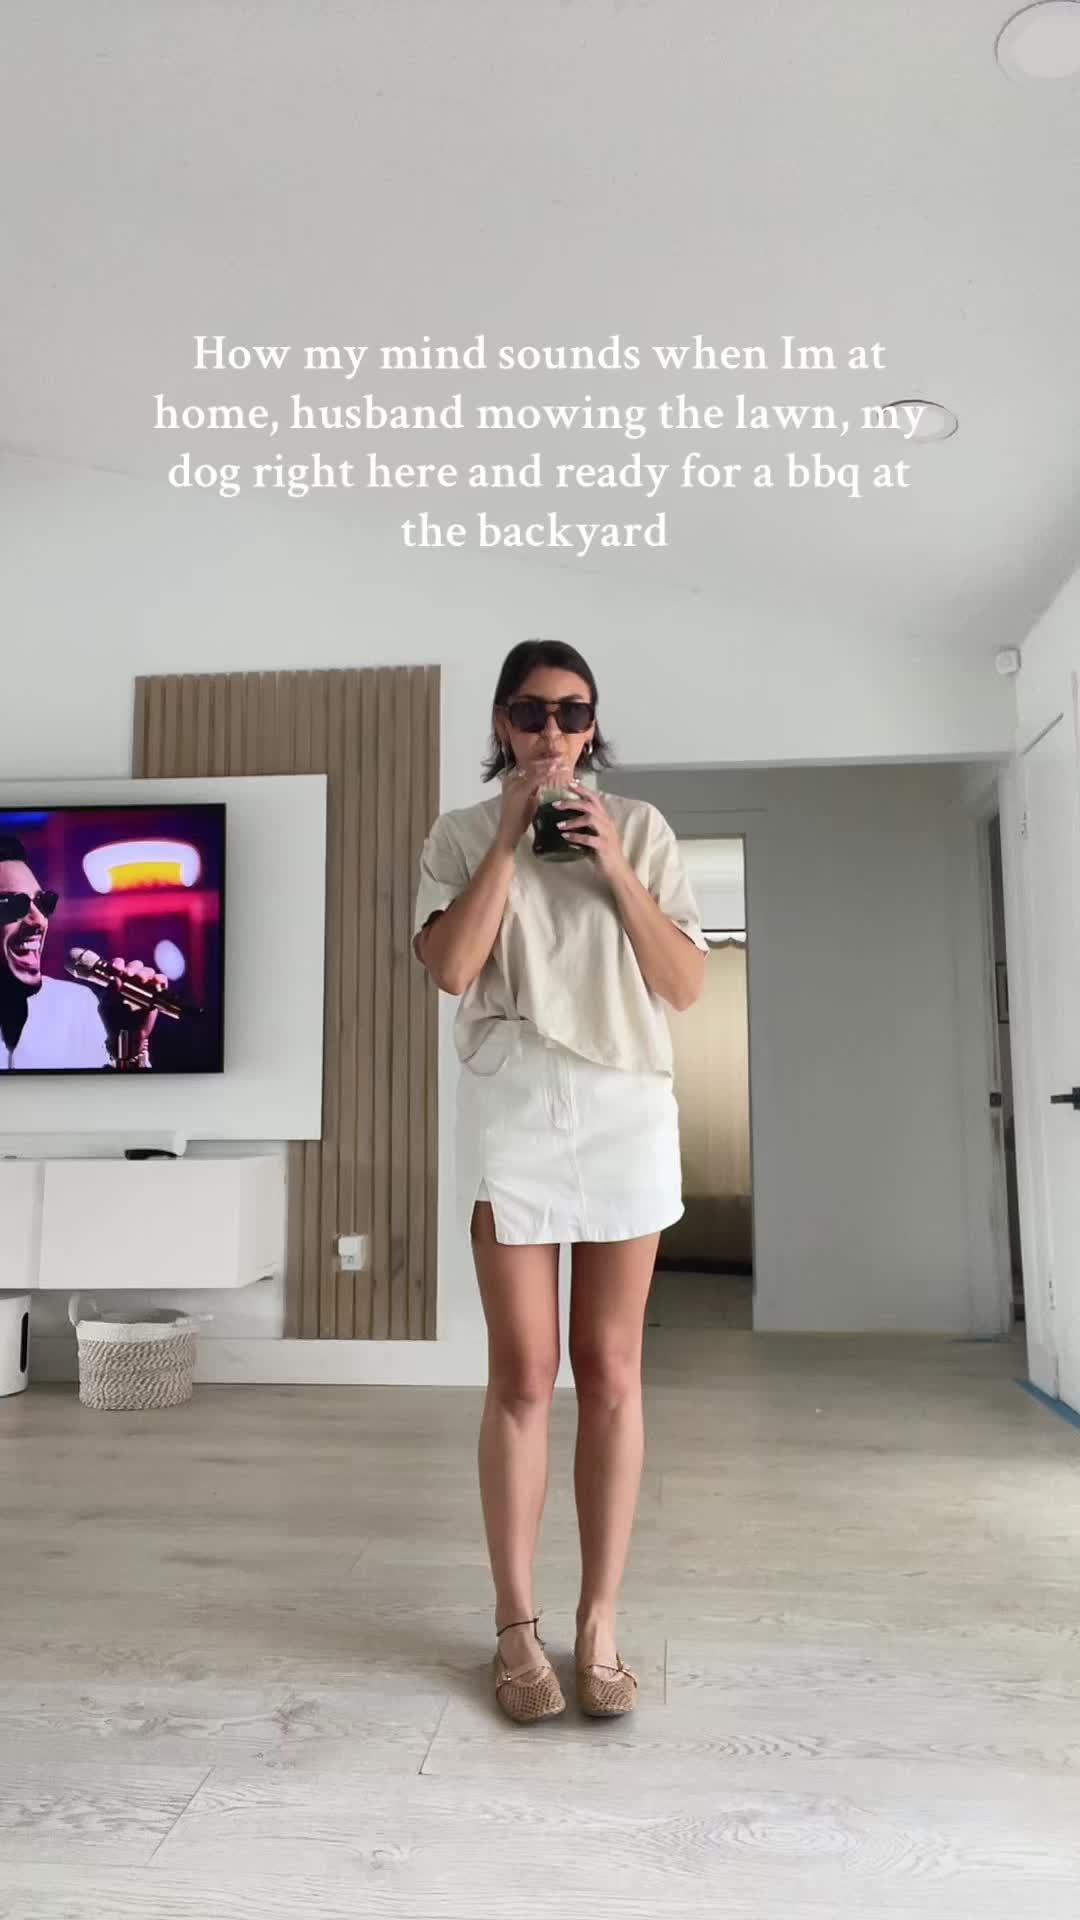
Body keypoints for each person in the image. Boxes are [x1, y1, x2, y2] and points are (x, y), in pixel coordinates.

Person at [413, 639, 707, 1724]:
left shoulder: (642, 829)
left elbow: (683, 985)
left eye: (572, 713)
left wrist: (614, 865)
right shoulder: (458, 834)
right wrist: (507, 838)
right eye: (533, 713)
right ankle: (513, 1624)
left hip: (626, 1106)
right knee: (524, 1376)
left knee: (614, 1371)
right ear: (503, 722)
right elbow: (452, 969)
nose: (552, 732)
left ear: (592, 725)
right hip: (517, 1104)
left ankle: (599, 1625)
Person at [0, 834, 167, 1070]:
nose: (39, 921)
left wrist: (129, 1047)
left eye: (43, 902)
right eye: (14, 905)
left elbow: (126, 1094)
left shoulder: (78, 1005)